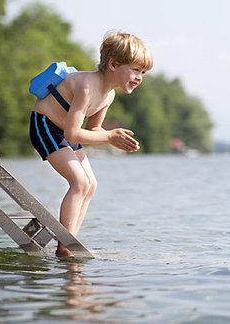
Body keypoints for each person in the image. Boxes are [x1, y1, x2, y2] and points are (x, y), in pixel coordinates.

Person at [29, 31, 153, 257]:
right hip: (45, 125)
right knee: (79, 182)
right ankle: (65, 246)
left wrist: (112, 138)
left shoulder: (109, 96)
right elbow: (74, 132)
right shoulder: (86, 86)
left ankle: (69, 241)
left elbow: (93, 130)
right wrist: (109, 136)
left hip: (65, 131)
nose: (139, 77)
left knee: (91, 184)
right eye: (135, 70)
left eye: (143, 72)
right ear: (113, 64)